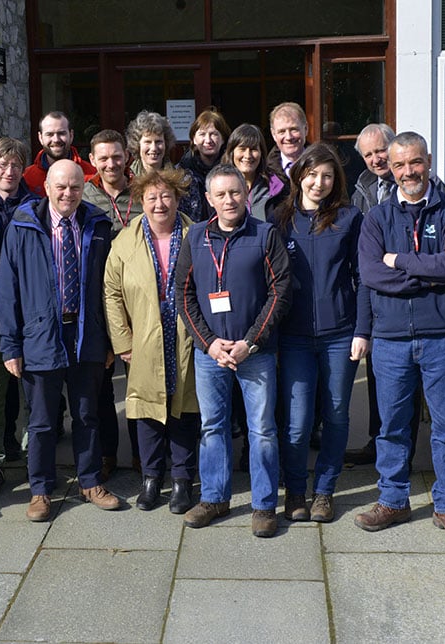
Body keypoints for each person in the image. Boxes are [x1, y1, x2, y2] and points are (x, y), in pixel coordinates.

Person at [355, 131, 445, 542]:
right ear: (391, 169)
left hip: (443, 337)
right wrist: (424, 274)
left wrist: (402, 262)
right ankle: (393, 499)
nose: (409, 171)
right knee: (392, 426)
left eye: (416, 162)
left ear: (428, 161)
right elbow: (371, 273)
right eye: (400, 165)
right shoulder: (376, 218)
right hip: (390, 339)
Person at [0, 159, 121, 522]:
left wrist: (111, 340)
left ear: (84, 188)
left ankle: (91, 480)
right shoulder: (22, 226)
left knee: (87, 414)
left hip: (87, 335)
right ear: (46, 187)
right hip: (40, 336)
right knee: (42, 421)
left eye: (75, 188)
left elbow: (109, 288)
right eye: (61, 187)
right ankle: (40, 490)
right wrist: (11, 345)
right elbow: (8, 291)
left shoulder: (97, 225)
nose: (68, 194)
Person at [174, 164, 291, 538]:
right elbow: (183, 294)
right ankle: (214, 497)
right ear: (209, 199)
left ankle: (264, 505)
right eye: (221, 194)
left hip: (253, 352)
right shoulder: (195, 239)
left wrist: (250, 341)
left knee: (262, 430)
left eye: (235, 192)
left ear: (246, 193)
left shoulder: (265, 234)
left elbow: (280, 291)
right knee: (212, 427)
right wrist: (208, 342)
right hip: (211, 354)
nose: (229, 200)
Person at [274, 143, 369, 524]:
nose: (319, 182)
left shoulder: (349, 218)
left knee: (336, 415)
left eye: (327, 175)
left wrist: (363, 330)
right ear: (299, 176)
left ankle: (325, 491)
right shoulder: (280, 219)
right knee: (296, 422)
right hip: (294, 337)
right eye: (311, 174)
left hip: (339, 334)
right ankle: (296, 490)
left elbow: (362, 279)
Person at [103, 167, 199, 513]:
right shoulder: (125, 240)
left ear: (177, 199)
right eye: (152, 197)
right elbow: (111, 292)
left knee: (184, 408)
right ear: (141, 201)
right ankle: (151, 479)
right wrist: (123, 341)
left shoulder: (197, 234)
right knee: (146, 409)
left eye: (166, 196)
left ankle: (183, 479)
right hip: (143, 338)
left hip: (187, 334)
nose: (159, 204)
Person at [344, 123, 423, 468]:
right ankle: (377, 441)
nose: (376, 159)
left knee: (408, 381)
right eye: (369, 154)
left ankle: (404, 453)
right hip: (373, 292)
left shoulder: (412, 184)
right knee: (378, 375)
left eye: (381, 151)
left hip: (408, 295)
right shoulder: (360, 187)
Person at [0, 136, 38, 495]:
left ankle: (34, 456)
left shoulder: (37, 208)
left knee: (35, 394)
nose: (9, 172)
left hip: (31, 316)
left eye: (16, 165)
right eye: (2, 165)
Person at [83, 129, 144, 476]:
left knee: (137, 383)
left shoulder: (141, 192)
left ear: (127, 157)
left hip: (136, 301)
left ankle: (141, 454)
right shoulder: (85, 194)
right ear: (92, 160)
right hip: (97, 299)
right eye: (103, 157)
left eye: (116, 156)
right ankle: (107, 454)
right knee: (102, 384)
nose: (111, 163)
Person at [22, 111, 97, 197]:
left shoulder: (91, 175)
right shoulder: (27, 178)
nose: (56, 139)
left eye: (61, 133)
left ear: (71, 135)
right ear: (40, 137)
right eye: (49, 134)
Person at [176, 107, 231, 222]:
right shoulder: (180, 173)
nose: (208, 140)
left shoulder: (232, 171)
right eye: (202, 134)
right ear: (194, 139)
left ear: (223, 139)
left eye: (214, 134)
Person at [221, 123, 284, 221]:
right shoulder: (219, 186)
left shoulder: (276, 188)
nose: (248, 155)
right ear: (232, 152)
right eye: (242, 149)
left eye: (253, 149)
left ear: (261, 153)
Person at [267, 102, 308, 185]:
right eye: (282, 131)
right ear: (273, 134)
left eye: (294, 129)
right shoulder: (265, 172)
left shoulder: (322, 165)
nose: (289, 137)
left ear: (306, 129)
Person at [127, 110, 176, 176]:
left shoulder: (178, 179)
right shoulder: (127, 178)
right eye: (148, 142)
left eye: (158, 141)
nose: (154, 148)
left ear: (166, 143)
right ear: (137, 144)